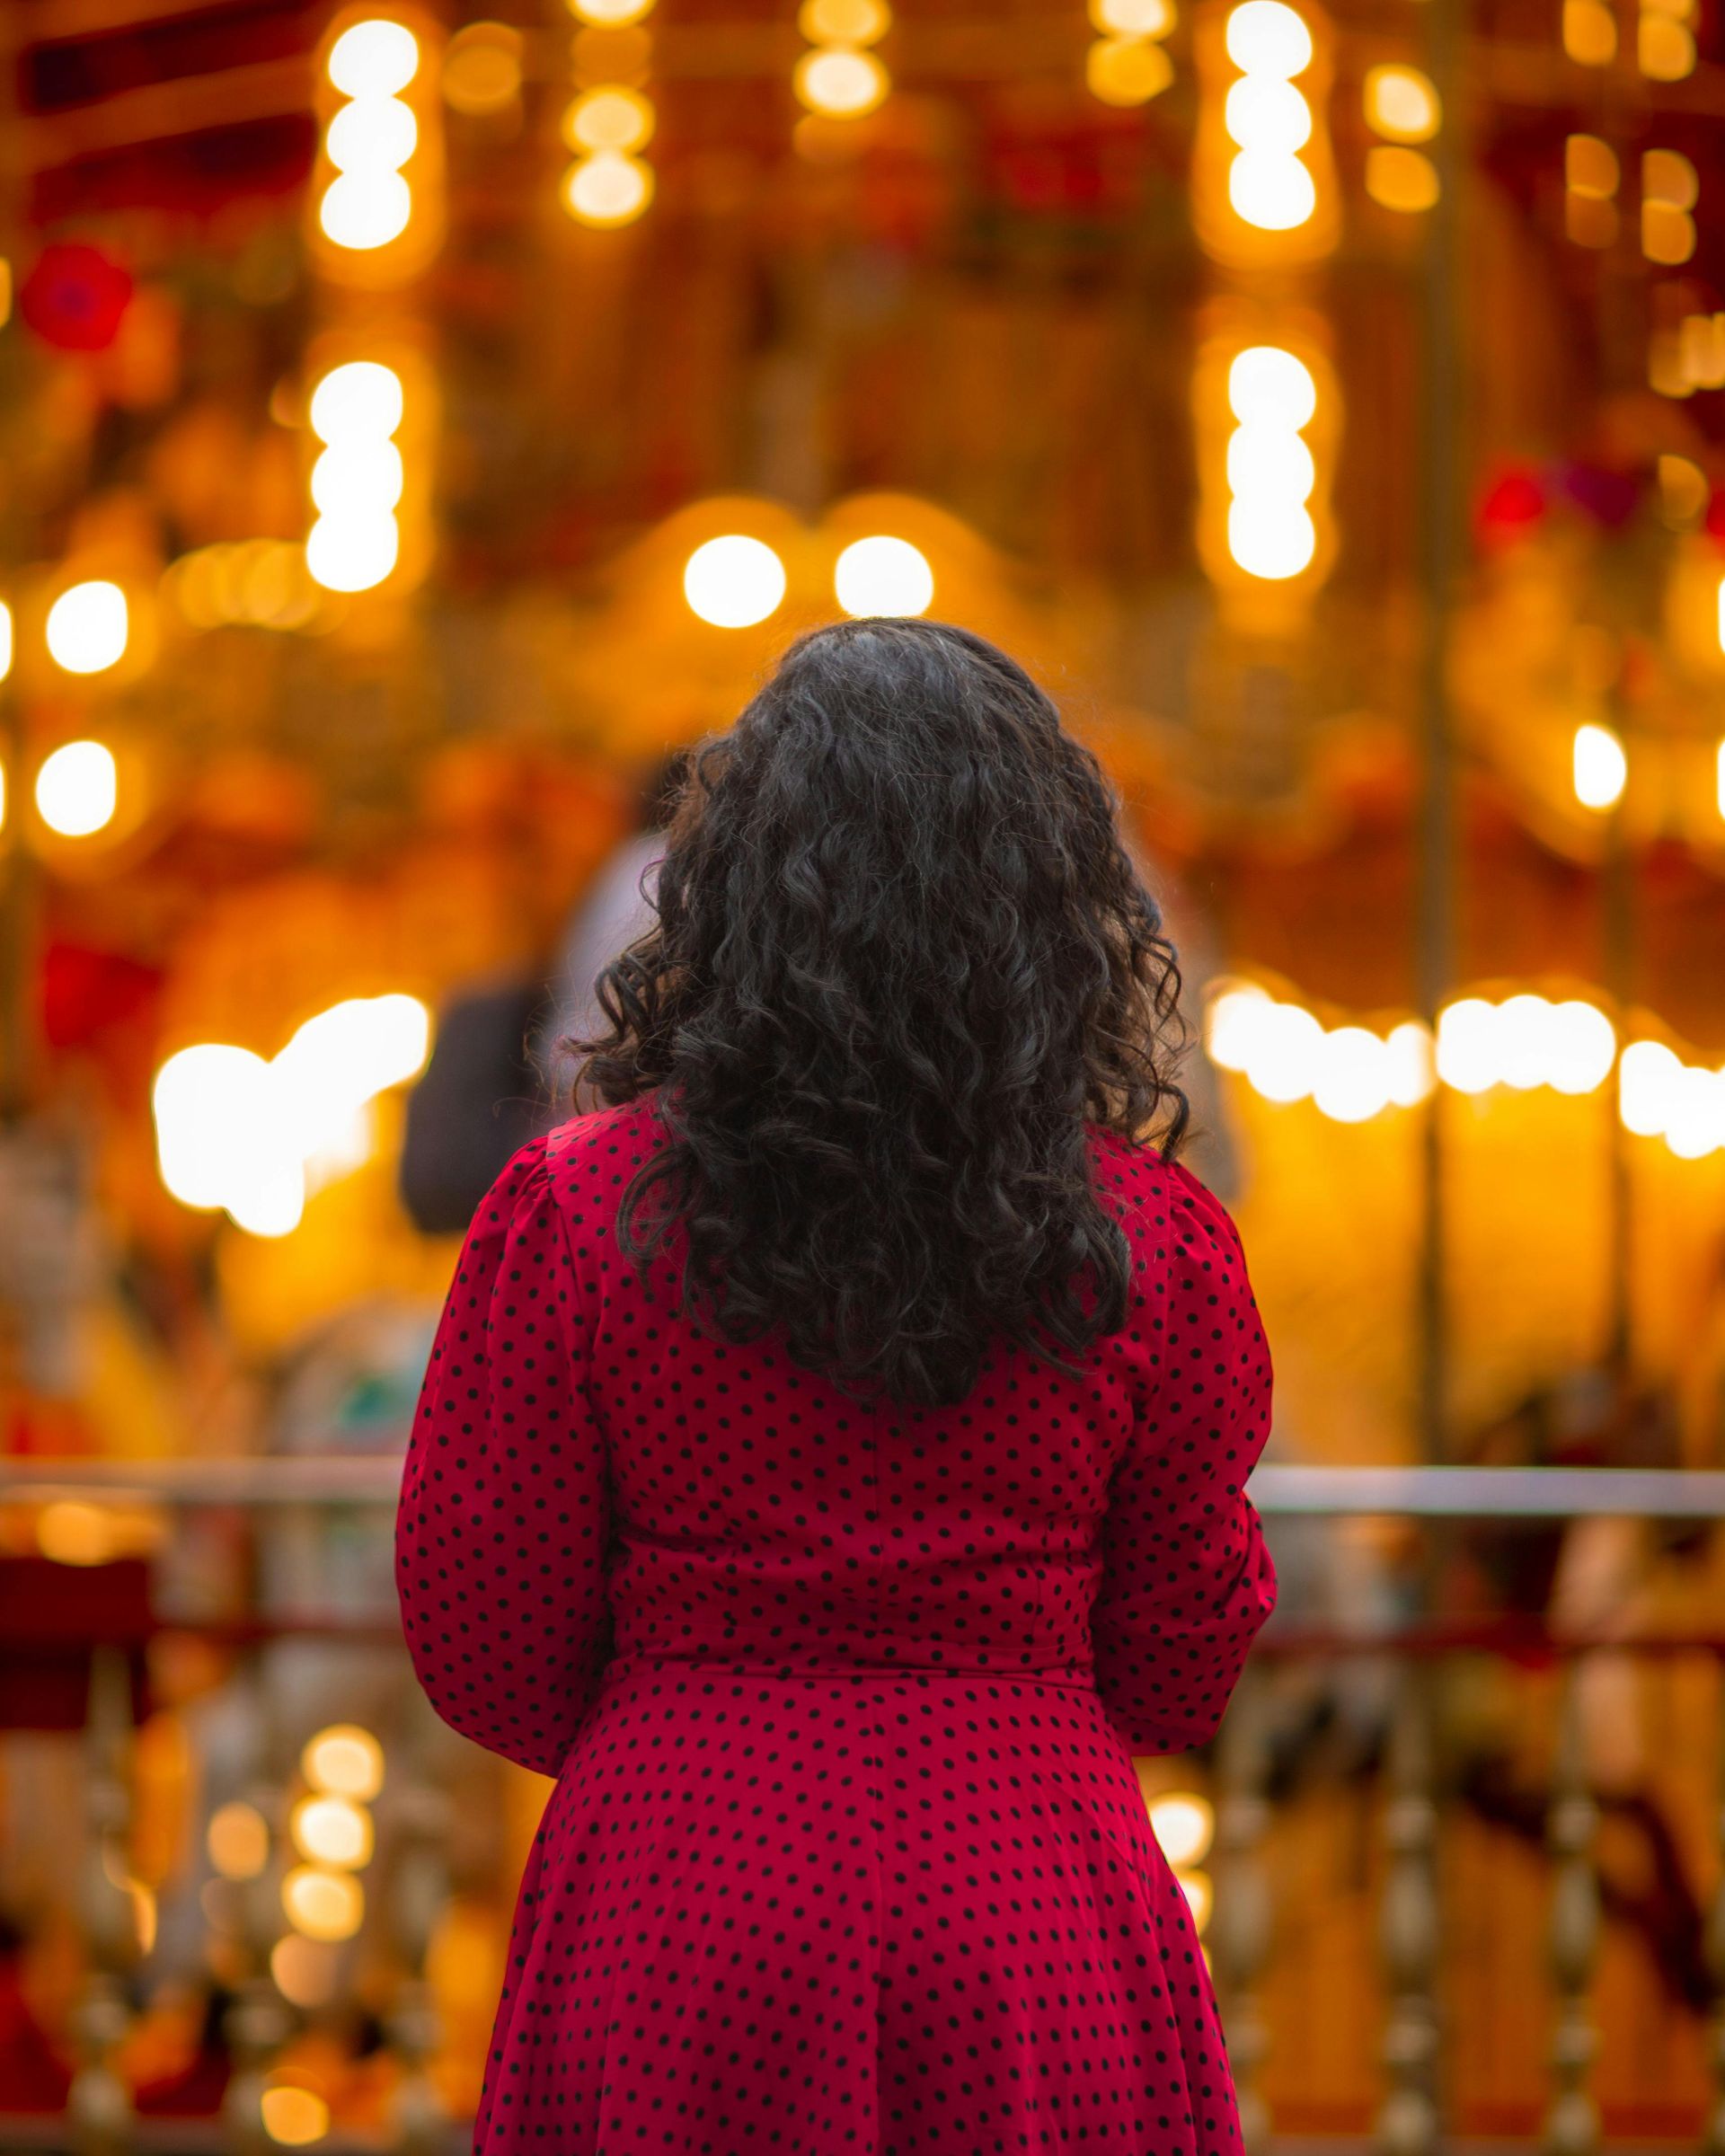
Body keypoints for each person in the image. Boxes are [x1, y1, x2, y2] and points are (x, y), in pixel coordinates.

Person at [395, 619, 1278, 2156]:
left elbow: (486, 1631)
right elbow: (1182, 1656)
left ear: (720, 889)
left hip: (683, 1892)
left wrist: (691, 1702)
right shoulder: (1152, 1242)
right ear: (1058, 908)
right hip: (1028, 1902)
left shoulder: (575, 1210)